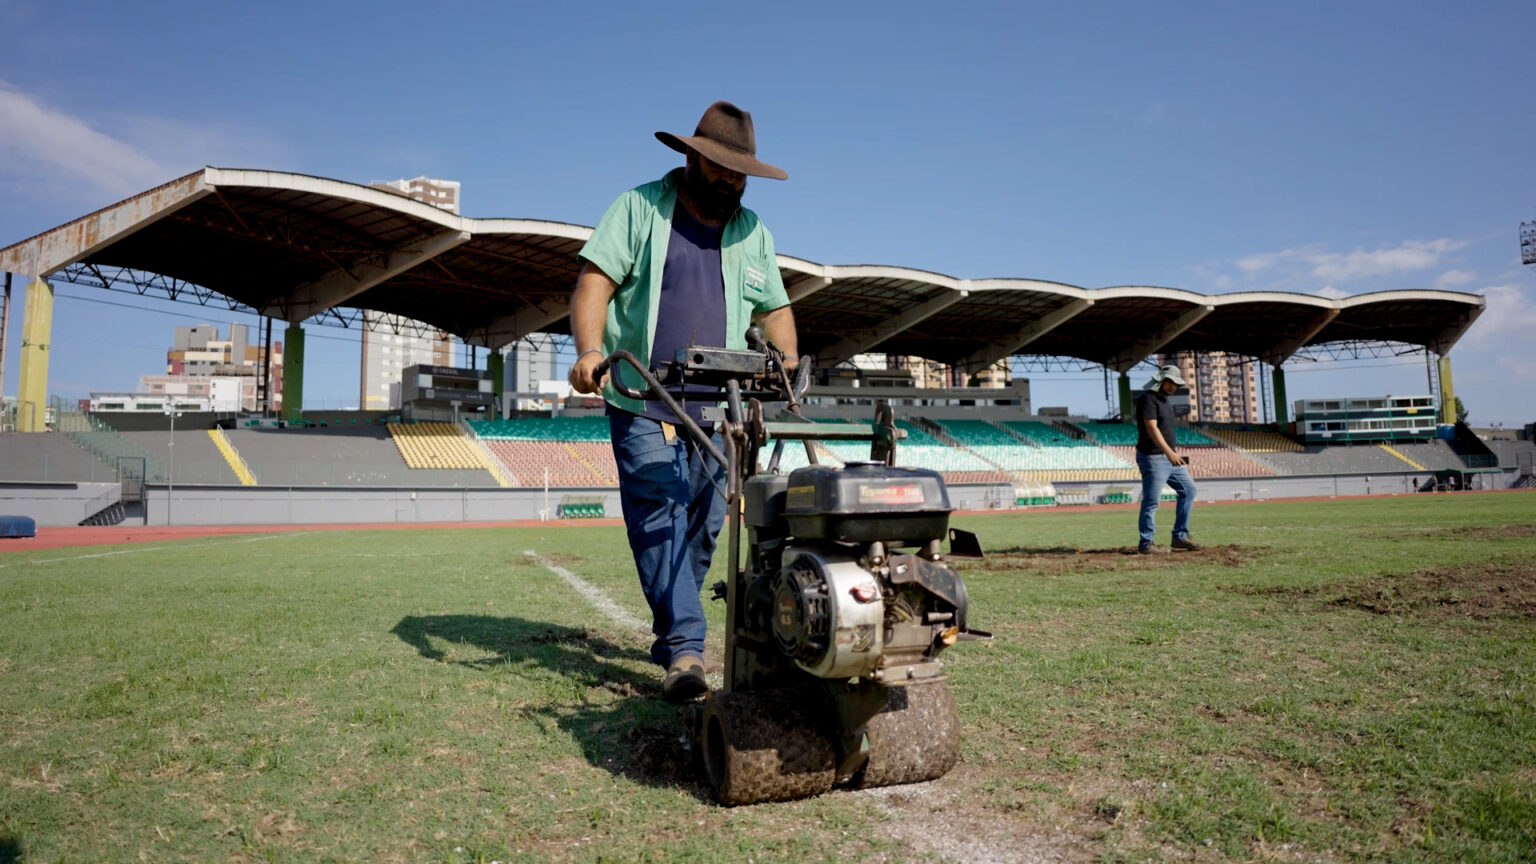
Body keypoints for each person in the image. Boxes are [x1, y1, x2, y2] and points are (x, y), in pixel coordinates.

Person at [567, 101, 799, 702]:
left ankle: (674, 632)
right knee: (658, 515)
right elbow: (595, 281)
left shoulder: (753, 232)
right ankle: (688, 649)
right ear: (693, 156)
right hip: (644, 394)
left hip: (721, 407)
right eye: (721, 166)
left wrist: (787, 364)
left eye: (739, 171)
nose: (731, 180)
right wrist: (590, 351)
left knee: (704, 528)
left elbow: (774, 309)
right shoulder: (640, 208)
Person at [1134, 365, 1200, 554]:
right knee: (1152, 501)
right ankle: (1146, 543)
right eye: (1171, 383)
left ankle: (1180, 536)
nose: (1173, 387)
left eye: (1176, 384)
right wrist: (1169, 453)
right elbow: (1152, 428)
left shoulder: (1164, 400)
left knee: (1189, 489)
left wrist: (1173, 453)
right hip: (1153, 457)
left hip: (1170, 457)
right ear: (1162, 380)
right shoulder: (1148, 398)